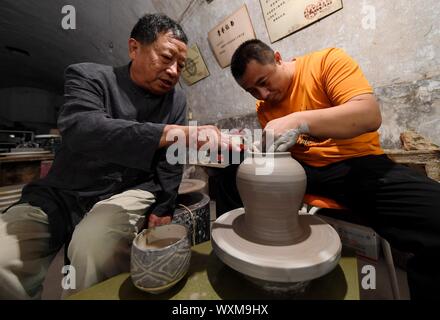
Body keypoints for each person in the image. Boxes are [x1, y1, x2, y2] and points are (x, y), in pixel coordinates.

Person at [0, 13, 227, 299]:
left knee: (95, 245)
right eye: (167, 57)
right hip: (64, 192)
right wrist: (171, 132)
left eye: (181, 65)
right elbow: (82, 129)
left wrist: (164, 206)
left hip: (128, 190)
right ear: (134, 48)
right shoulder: (89, 77)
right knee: (4, 257)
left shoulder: (176, 100)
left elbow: (171, 158)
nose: (173, 71)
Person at [217, 39, 440, 299]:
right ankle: (241, 252)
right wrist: (259, 149)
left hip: (356, 165)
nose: (262, 95)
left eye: (264, 82)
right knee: (230, 166)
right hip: (303, 170)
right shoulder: (264, 107)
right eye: (252, 91)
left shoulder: (326, 63)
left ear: (278, 58)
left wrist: (300, 121)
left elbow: (369, 116)